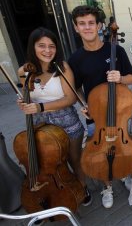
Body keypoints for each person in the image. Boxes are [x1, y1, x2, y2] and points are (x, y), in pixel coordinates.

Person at [68, 5, 132, 209]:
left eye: (91, 23)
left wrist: (121, 78)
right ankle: (107, 186)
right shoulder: (76, 59)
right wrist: (83, 103)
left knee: (122, 148)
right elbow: (76, 89)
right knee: (101, 153)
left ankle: (123, 174)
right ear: (75, 27)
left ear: (99, 25)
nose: (87, 27)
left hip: (120, 113)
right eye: (82, 24)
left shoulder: (116, 50)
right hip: (95, 117)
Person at [16, 27, 90, 206]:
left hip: (66, 121)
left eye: (52, 46)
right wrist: (22, 102)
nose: (47, 50)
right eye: (42, 45)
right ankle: (53, 191)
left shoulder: (62, 67)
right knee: (46, 162)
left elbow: (70, 98)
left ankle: (82, 187)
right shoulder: (24, 71)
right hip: (40, 124)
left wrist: (40, 106)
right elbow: (26, 95)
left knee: (74, 159)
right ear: (32, 47)